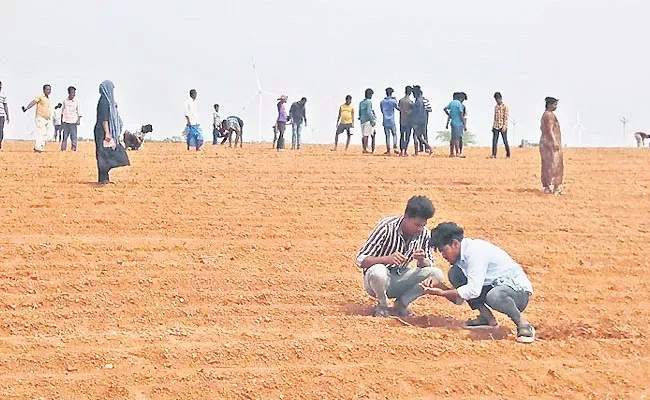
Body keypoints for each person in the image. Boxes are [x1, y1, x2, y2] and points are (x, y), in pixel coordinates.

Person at [421, 222, 535, 343]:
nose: (443, 255)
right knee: (455, 274)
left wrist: (441, 293)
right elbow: (459, 299)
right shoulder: (461, 259)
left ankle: (523, 324)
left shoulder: (474, 253)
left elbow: (472, 291)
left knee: (494, 296)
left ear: (455, 243)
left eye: (444, 250)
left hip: (517, 293)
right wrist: (440, 286)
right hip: (496, 286)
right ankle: (487, 318)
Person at [357, 196, 443, 317]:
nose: (420, 229)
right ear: (406, 217)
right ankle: (382, 305)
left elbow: (429, 265)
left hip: (400, 276)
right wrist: (386, 259)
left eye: (423, 225)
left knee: (436, 274)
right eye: (417, 225)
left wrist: (421, 260)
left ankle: (401, 304)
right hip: (377, 281)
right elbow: (361, 259)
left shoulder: (424, 233)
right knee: (378, 271)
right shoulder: (386, 227)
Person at [94, 80, 129, 184]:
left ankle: (105, 178)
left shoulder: (108, 101)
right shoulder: (104, 101)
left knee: (109, 154)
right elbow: (104, 119)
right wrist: (107, 133)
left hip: (105, 130)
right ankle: (103, 179)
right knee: (103, 154)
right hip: (102, 131)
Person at [540, 97, 564, 194]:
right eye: (554, 104)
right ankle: (554, 187)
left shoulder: (545, 114)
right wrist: (554, 141)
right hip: (550, 144)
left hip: (545, 143)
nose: (556, 106)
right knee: (555, 165)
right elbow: (550, 130)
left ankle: (547, 186)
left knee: (547, 165)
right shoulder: (549, 115)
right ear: (549, 105)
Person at [22, 84, 53, 152]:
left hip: (47, 118)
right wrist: (27, 108)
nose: (48, 91)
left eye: (49, 89)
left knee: (45, 133)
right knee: (41, 132)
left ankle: (41, 147)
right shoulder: (40, 96)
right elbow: (34, 102)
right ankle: (38, 147)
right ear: (44, 90)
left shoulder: (48, 98)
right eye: (47, 89)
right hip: (40, 117)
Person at [411, 86, 432, 156]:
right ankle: (427, 148)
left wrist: (414, 121)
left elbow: (417, 113)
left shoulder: (418, 102)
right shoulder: (420, 100)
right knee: (420, 136)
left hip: (419, 121)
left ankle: (424, 149)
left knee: (416, 136)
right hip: (423, 120)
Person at [444, 92, 466, 158]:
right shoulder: (459, 104)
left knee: (453, 138)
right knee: (457, 139)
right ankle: (458, 153)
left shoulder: (451, 103)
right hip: (458, 123)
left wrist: (449, 115)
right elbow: (461, 114)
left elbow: (445, 109)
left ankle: (451, 153)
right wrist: (464, 123)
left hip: (453, 122)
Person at [61, 86, 82, 151]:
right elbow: (62, 111)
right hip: (66, 121)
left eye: (74, 92)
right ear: (69, 93)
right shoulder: (65, 101)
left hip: (73, 121)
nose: (73, 94)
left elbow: (79, 111)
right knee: (65, 136)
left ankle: (73, 148)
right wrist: (61, 120)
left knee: (73, 136)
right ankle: (63, 148)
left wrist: (78, 120)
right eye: (72, 92)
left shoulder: (77, 101)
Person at [380, 87, 399, 155]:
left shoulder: (382, 102)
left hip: (385, 120)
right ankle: (395, 147)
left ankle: (388, 150)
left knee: (387, 136)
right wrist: (395, 100)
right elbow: (398, 108)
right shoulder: (393, 101)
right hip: (391, 120)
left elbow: (382, 111)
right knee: (394, 134)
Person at [491, 92, 510, 158]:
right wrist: (493, 126)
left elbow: (506, 117)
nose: (497, 101)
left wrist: (505, 126)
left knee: (505, 141)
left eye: (497, 100)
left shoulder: (505, 107)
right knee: (494, 141)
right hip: (496, 126)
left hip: (502, 126)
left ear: (500, 99)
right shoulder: (496, 107)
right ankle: (494, 154)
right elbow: (495, 117)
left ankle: (508, 154)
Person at [359, 88, 376, 154]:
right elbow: (369, 112)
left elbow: (359, 112)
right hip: (368, 120)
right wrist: (372, 120)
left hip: (362, 120)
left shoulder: (361, 102)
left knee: (364, 135)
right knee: (370, 135)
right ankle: (366, 149)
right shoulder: (369, 102)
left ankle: (364, 148)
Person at [398, 86, 413, 157]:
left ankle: (401, 151)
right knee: (407, 136)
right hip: (408, 121)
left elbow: (399, 108)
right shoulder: (410, 102)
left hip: (402, 120)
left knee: (401, 136)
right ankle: (405, 151)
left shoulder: (401, 100)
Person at [0, 81, 9, 150]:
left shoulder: (3, 94)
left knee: (0, 130)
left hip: (1, 115)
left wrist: (7, 115)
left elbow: (5, 105)